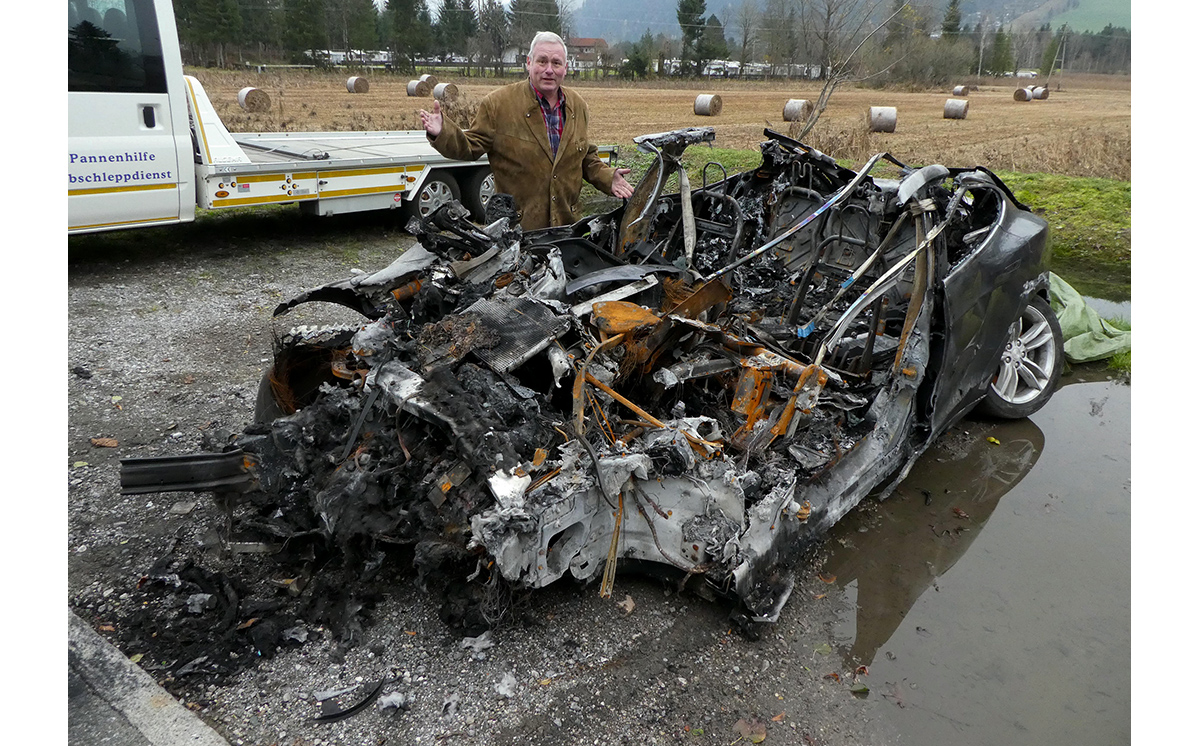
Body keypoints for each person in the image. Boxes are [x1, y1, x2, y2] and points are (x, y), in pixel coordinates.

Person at [419, 32, 634, 231]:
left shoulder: (577, 105)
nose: (549, 69)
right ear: (529, 63)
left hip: (566, 230)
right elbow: (469, 147)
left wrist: (608, 177)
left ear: (565, 68)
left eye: (556, 63)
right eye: (542, 61)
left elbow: (585, 155)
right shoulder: (498, 104)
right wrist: (442, 132)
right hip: (517, 231)